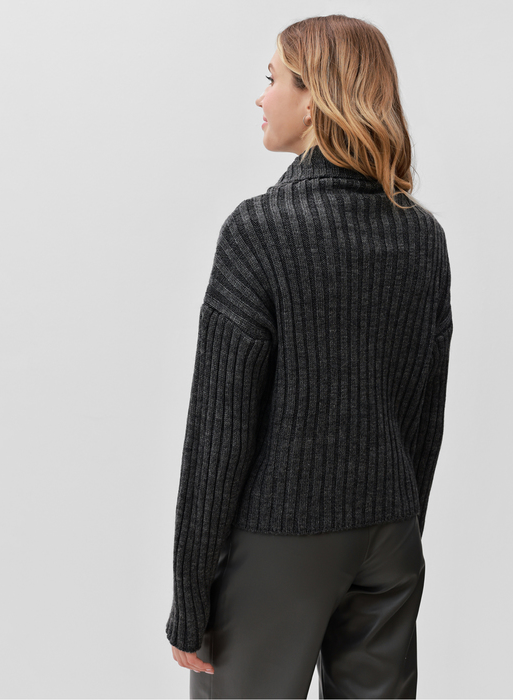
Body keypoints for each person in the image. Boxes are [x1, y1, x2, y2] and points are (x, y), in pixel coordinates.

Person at [166, 14, 453, 699]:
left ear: (315, 97)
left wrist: (190, 596)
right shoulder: (422, 235)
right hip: (389, 536)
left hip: (284, 533)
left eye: (273, 79)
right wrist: (399, 524)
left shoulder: (259, 231)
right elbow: (423, 407)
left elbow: (220, 431)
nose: (260, 96)